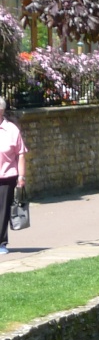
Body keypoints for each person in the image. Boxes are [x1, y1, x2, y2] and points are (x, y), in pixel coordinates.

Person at [0, 97, 27, 255]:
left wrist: (21, 177)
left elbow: (21, 154)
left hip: (6, 178)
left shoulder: (11, 130)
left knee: (2, 212)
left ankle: (1, 243)